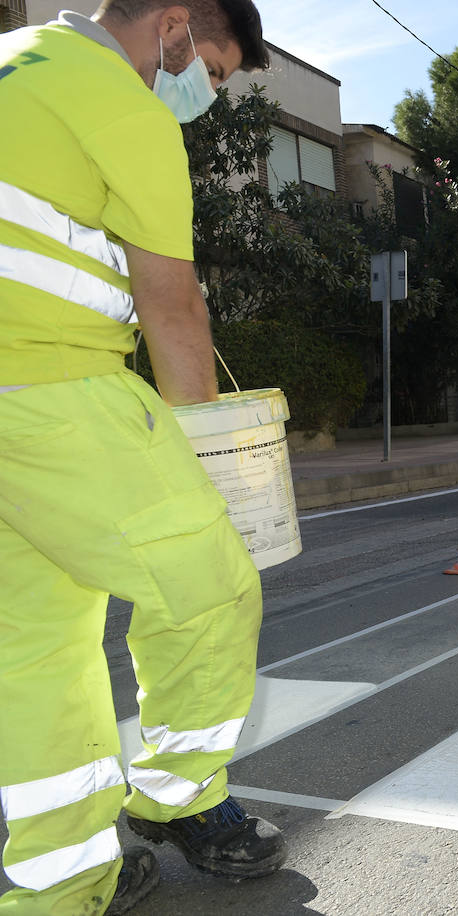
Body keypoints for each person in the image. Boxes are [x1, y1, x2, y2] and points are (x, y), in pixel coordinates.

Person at [0, 3, 284, 913]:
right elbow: (173, 307)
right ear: (169, 26)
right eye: (212, 65)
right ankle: (178, 795)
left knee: (39, 650)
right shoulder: (122, 105)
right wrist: (205, 461)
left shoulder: (16, 59)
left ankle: (61, 882)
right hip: (52, 386)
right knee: (212, 586)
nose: (207, 90)